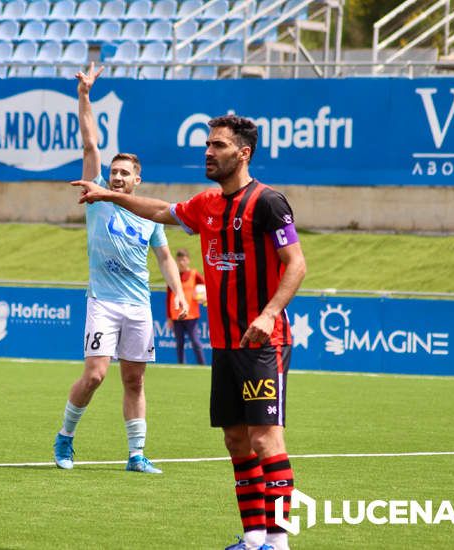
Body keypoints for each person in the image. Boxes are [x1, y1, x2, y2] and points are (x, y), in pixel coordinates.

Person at [72, 114, 306, 550]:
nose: (208, 152)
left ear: (243, 153)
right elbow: (161, 210)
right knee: (236, 440)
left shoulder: (269, 203)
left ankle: (279, 542)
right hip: (223, 345)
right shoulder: (207, 205)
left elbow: (297, 264)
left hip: (262, 344)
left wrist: (270, 313)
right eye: (207, 144)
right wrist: (108, 195)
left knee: (264, 439)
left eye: (218, 145)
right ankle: (254, 537)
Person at [53, 63, 189, 474]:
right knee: (95, 376)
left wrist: (178, 290)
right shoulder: (96, 197)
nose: (116, 177)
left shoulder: (148, 215)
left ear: (137, 180)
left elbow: (164, 256)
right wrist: (84, 96)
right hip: (104, 303)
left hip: (138, 306)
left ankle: (136, 454)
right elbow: (90, 143)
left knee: (135, 380)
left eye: (123, 173)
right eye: (113, 172)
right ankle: (65, 437)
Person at [167, 248, 206, 365]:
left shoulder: (194, 274)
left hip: (191, 315)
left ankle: (202, 365)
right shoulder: (173, 277)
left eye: (183, 260)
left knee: (195, 342)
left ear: (188, 260)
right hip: (176, 316)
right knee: (179, 343)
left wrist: (203, 296)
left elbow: (207, 285)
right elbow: (168, 298)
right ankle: (181, 366)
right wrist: (169, 317)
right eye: (179, 260)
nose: (181, 263)